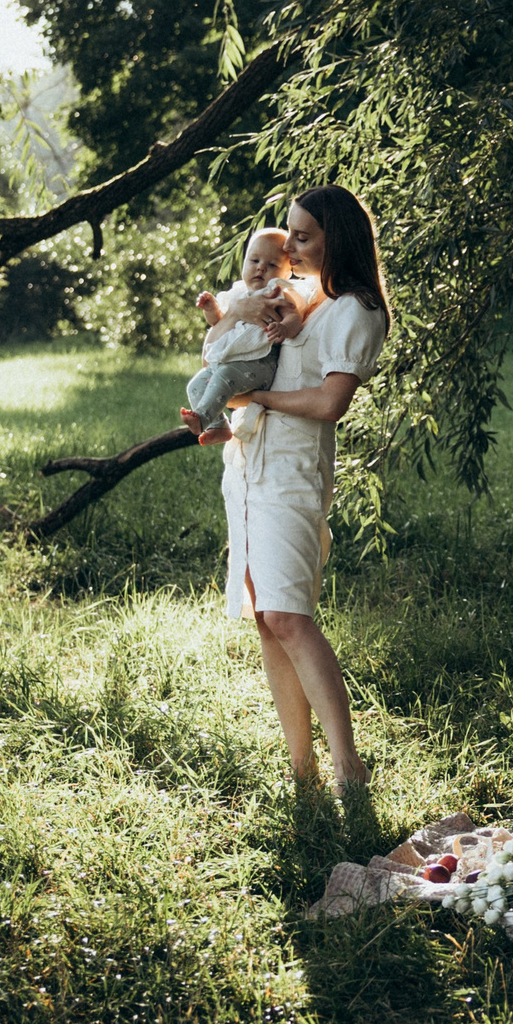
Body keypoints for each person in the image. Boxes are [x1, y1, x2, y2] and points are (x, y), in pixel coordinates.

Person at [220, 186, 390, 796]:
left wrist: (259, 398)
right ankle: (302, 772)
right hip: (250, 466)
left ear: (336, 238)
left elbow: (328, 402)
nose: (287, 246)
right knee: (268, 619)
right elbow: (262, 366)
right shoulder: (309, 297)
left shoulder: (355, 310)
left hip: (292, 475)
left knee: (291, 616)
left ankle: (349, 769)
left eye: (302, 236)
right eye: (289, 233)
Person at [179, 228, 303, 445]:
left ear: (285, 274)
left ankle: (202, 420)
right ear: (244, 263)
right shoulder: (236, 294)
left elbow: (294, 317)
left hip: (260, 365)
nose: (261, 267)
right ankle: (219, 426)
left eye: (272, 265)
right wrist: (210, 308)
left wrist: (284, 328)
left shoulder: (277, 294)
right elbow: (219, 322)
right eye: (254, 260)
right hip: (229, 363)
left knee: (224, 376)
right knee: (195, 385)